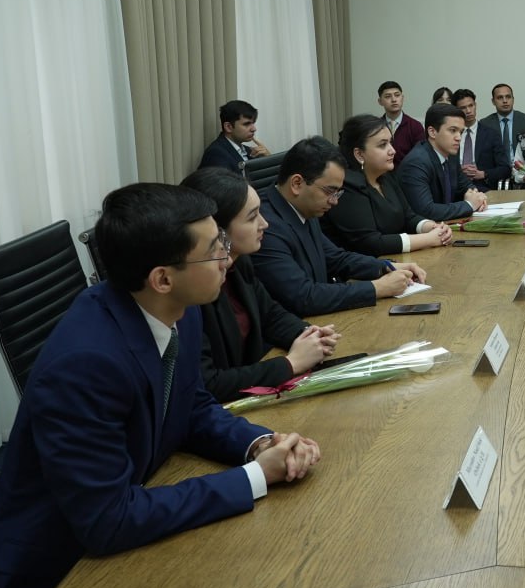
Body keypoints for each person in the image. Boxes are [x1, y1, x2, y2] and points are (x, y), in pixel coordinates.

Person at [0, 183, 320, 588]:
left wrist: (258, 444)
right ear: (162, 278)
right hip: (48, 577)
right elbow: (108, 519)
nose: (227, 257)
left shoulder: (180, 308)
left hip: (124, 526)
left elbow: (191, 405)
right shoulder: (85, 365)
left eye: (222, 239)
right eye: (214, 249)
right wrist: (254, 477)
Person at [182, 167, 341, 402]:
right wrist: (290, 363)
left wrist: (308, 334)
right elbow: (210, 384)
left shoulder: (240, 263)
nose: (264, 224)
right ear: (215, 229)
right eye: (252, 217)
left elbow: (270, 314)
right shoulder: (191, 291)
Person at [252, 136, 424, 315]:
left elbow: (336, 258)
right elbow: (303, 296)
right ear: (297, 183)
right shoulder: (264, 226)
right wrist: (377, 288)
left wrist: (385, 266)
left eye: (337, 193)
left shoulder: (304, 206)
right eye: (330, 191)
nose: (334, 201)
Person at [322, 114, 454, 255]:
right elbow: (370, 243)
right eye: (382, 145)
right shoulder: (346, 185)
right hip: (365, 265)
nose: (393, 151)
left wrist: (431, 227)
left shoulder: (386, 176)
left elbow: (408, 216)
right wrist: (428, 239)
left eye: (390, 143)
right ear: (359, 154)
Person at [399, 103, 491, 220]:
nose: (459, 137)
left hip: (446, 225)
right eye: (453, 130)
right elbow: (426, 211)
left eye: (460, 132)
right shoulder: (416, 163)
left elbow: (466, 185)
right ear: (432, 132)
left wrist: (477, 197)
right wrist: (470, 205)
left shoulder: (450, 155)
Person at [452, 88, 510, 191]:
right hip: (455, 185)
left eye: (471, 105)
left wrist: (483, 174)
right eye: (463, 108)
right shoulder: (450, 134)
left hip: (482, 187)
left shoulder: (491, 134)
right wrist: (458, 170)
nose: (468, 111)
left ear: (475, 105)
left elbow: (505, 169)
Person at [199, 99, 271, 171]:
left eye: (253, 123)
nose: (254, 129)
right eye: (246, 124)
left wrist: (269, 160)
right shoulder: (216, 154)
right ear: (228, 127)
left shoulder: (250, 151)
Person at [377, 80, 425, 167]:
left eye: (397, 95)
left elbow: (420, 157)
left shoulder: (415, 126)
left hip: (408, 173)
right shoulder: (376, 127)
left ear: (402, 98)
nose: (394, 100)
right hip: (382, 173)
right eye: (388, 96)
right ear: (380, 101)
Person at [480, 83, 525, 154]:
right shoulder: (485, 124)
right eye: (500, 97)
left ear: (513, 99)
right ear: (493, 101)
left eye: (508, 97)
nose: (505, 101)